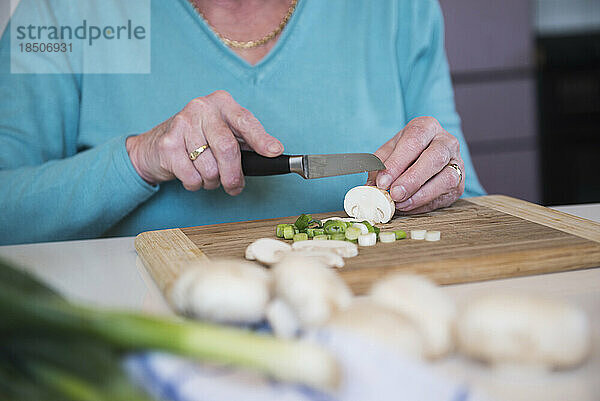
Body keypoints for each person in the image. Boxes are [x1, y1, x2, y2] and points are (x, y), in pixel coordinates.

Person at [0, 0, 485, 245]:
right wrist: (139, 160)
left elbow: (474, 204)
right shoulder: (67, 13)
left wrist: (443, 177)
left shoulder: (398, 10)